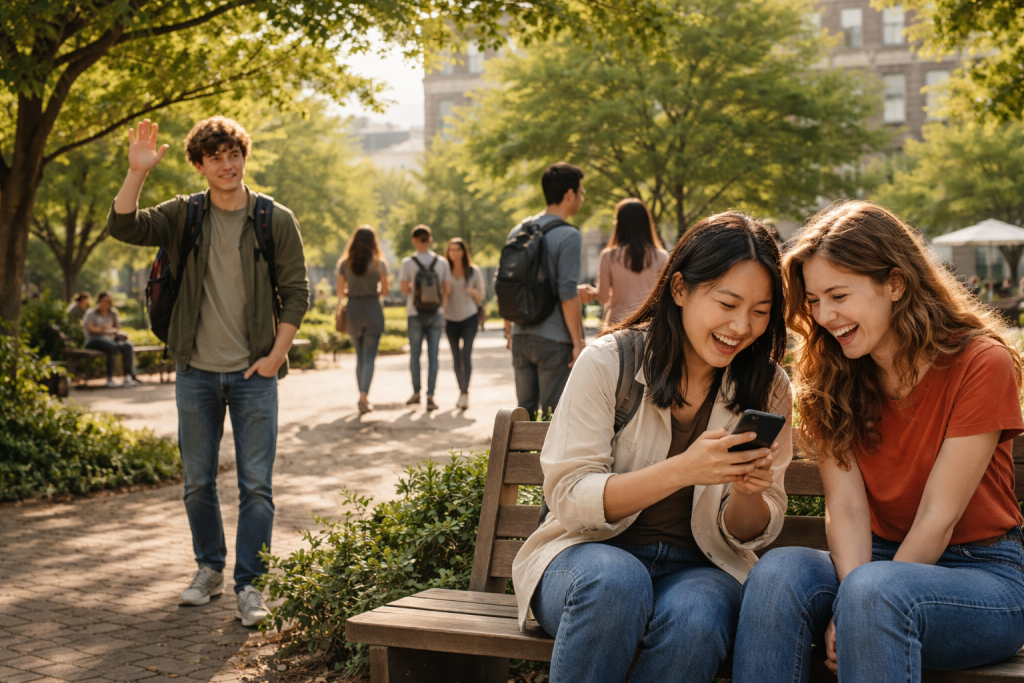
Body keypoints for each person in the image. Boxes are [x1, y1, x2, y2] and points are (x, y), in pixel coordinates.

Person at [734, 201, 1024, 683]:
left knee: (875, 593)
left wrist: (854, 606)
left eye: (838, 296)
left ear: (895, 284)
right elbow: (846, 507)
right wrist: (856, 595)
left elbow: (939, 517)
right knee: (778, 574)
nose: (824, 316)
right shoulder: (829, 373)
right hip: (872, 561)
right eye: (813, 300)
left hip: (983, 576)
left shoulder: (979, 362)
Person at [513, 212, 793, 682]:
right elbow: (570, 497)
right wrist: (683, 470)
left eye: (761, 311)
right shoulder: (609, 363)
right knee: (616, 584)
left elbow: (750, 532)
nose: (742, 326)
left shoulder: (768, 386)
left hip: (699, 567)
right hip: (586, 557)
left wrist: (748, 490)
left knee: (697, 619)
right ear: (680, 289)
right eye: (727, 303)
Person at [107, 118, 309, 626]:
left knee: (256, 487)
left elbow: (298, 292)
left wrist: (274, 357)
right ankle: (209, 569)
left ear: (244, 156)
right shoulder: (184, 214)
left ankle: (250, 586)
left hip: (254, 378)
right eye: (215, 156)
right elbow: (124, 226)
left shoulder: (273, 218)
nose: (227, 164)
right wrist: (136, 173)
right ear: (199, 165)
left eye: (234, 153)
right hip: (195, 372)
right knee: (197, 483)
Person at [504, 162, 587, 417]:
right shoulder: (568, 235)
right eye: (581, 192)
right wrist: (578, 341)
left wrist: (509, 332)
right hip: (553, 338)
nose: (582, 198)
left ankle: (517, 458)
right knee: (553, 419)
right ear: (569, 194)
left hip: (521, 336)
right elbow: (566, 293)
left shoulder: (519, 229)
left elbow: (510, 283)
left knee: (523, 416)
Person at [579, 198, 668, 326]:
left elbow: (603, 297)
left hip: (617, 325)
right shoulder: (661, 256)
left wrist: (592, 292)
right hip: (650, 325)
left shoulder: (609, 256)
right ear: (647, 223)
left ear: (619, 224)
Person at [337, 226, 389, 415]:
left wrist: (353, 291)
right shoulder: (379, 264)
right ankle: (364, 396)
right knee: (369, 357)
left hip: (353, 310)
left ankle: (361, 394)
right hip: (373, 309)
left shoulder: (345, 263)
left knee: (359, 357)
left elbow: (339, 291)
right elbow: (385, 291)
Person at [399, 225, 452, 412]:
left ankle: (416, 393)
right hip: (436, 313)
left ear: (414, 240)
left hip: (415, 313)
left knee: (415, 356)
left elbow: (404, 290)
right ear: (430, 239)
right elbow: (447, 290)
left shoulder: (408, 263)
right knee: (433, 357)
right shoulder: (442, 262)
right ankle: (430, 396)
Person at [444, 238, 485, 410]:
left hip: (469, 317)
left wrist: (473, 292)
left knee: (466, 355)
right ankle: (460, 390)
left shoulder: (473, 271)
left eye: (458, 249)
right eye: (451, 249)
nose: (454, 252)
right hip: (450, 318)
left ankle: (464, 393)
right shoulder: (445, 271)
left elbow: (482, 294)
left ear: (463, 252)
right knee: (456, 357)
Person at [83, 291, 138, 388]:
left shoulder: (113, 312)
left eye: (109, 301)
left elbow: (117, 328)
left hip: (110, 340)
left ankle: (127, 377)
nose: (108, 303)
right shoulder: (91, 313)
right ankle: (110, 378)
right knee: (111, 346)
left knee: (128, 346)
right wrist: (102, 330)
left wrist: (113, 332)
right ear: (99, 300)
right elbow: (90, 329)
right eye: (106, 301)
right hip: (94, 340)